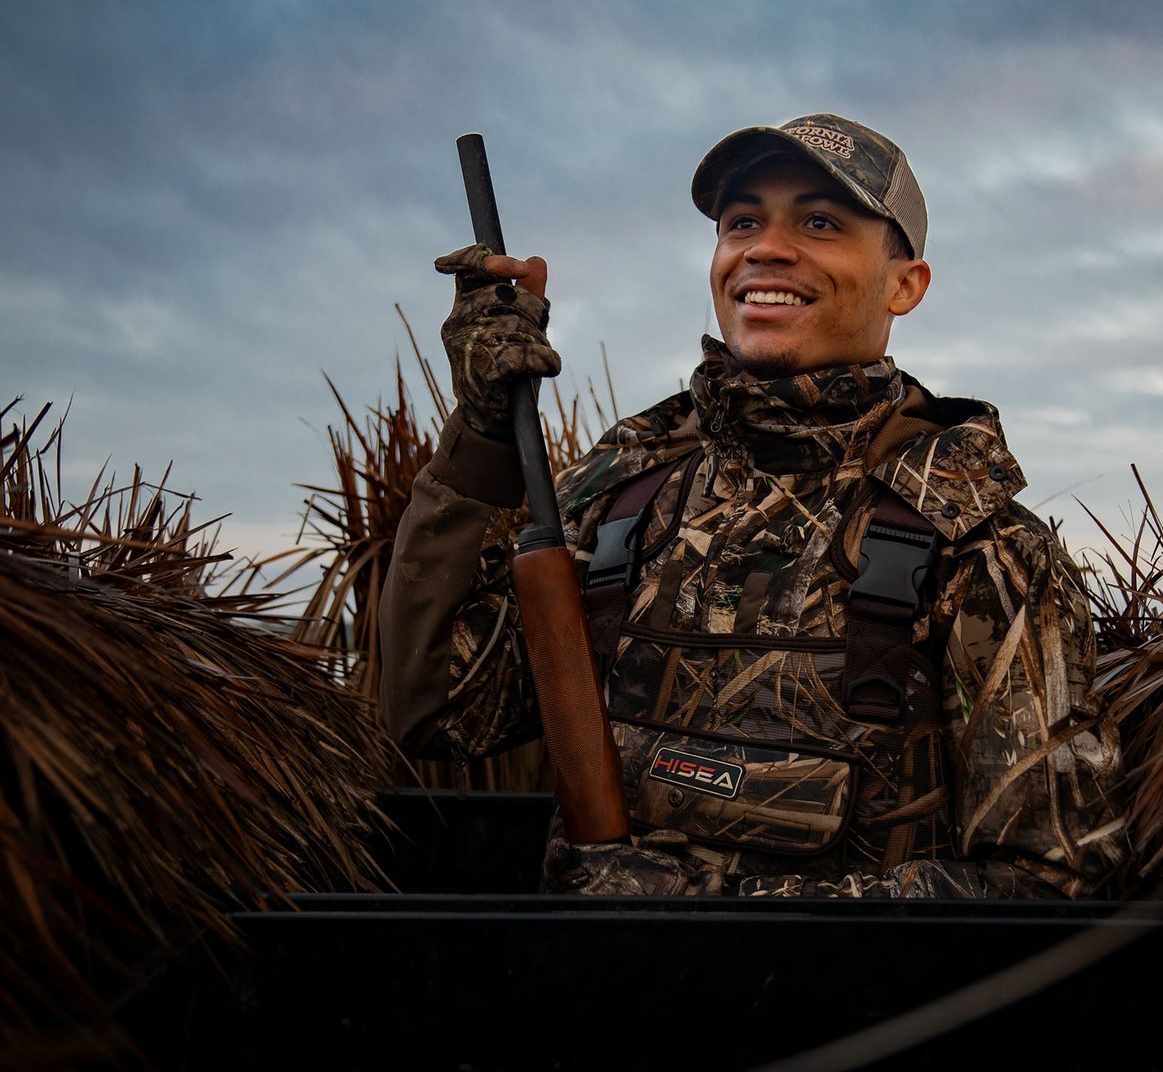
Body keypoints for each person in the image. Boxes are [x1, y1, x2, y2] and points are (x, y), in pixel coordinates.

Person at [380, 114, 1122, 898]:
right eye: (742, 222)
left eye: (820, 221)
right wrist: (485, 433)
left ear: (906, 284)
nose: (765, 246)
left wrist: (705, 911)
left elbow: (1050, 881)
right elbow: (440, 711)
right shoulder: (631, 481)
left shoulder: (977, 545)